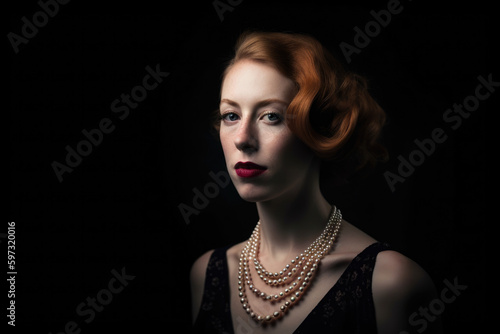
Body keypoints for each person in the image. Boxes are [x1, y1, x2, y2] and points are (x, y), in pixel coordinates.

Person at [190, 31, 442, 333]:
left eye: (271, 116)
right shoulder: (207, 274)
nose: (242, 139)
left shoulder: (391, 284)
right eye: (231, 115)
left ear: (321, 129)